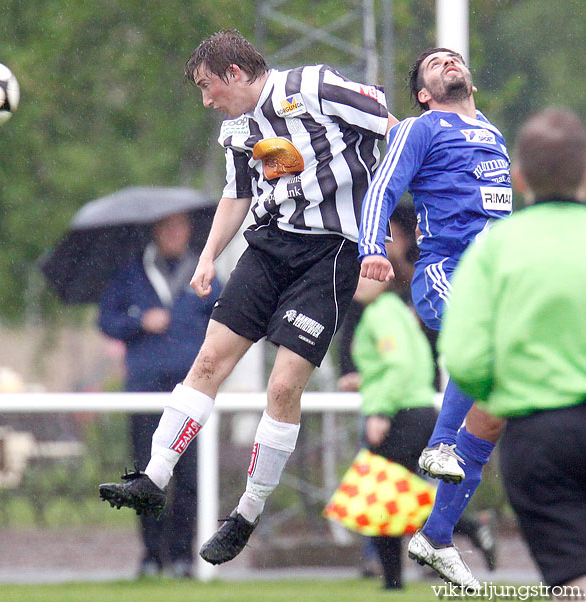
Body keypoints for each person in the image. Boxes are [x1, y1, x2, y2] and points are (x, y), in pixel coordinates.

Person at [99, 29, 398, 566]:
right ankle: (153, 476)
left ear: (234, 74)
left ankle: (247, 512)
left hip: (330, 254)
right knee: (209, 358)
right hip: (266, 249)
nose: (206, 99)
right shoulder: (238, 129)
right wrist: (210, 254)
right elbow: (237, 193)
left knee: (283, 386)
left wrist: (388, 211)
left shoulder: (313, 87)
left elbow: (392, 129)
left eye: (208, 86)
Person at [439, 107, 586, 599]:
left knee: (581, 584)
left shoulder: (494, 250)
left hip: (541, 439)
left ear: (517, 179)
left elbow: (466, 359)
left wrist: (518, 386)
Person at [358, 48, 512, 589]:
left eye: (454, 57)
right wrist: (372, 246)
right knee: (482, 350)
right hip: (448, 271)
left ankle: (438, 533)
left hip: (496, 281)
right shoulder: (422, 127)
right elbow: (382, 187)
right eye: (434, 63)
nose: (449, 61)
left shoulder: (492, 132)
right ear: (423, 91)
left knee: (497, 399)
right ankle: (441, 444)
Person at [347, 207, 496, 589]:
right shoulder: (398, 310)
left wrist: (379, 409)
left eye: (364, 272)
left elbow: (398, 365)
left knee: (380, 497)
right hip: (417, 411)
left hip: (402, 415)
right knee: (393, 494)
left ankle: (407, 571)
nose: (357, 281)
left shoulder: (381, 315)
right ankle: (463, 531)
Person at [97, 212, 221, 578]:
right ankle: (152, 554)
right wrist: (139, 320)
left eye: (181, 227)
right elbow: (106, 319)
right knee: (145, 474)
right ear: (155, 231)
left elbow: (230, 319)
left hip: (191, 391)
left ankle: (183, 555)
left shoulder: (205, 273)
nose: (174, 234)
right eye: (167, 227)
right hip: (145, 390)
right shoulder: (131, 273)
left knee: (189, 476)